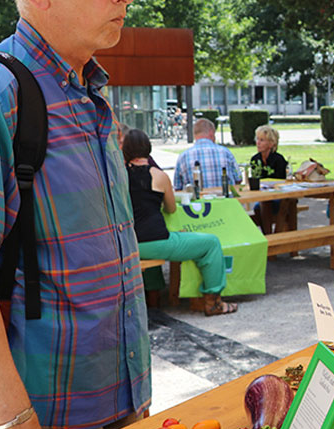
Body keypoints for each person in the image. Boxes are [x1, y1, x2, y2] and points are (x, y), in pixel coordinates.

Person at [0, 0, 150, 429]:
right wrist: (13, 424)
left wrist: (136, 397)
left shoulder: (87, 91)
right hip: (37, 418)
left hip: (117, 404)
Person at [123, 129, 238, 316]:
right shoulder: (159, 176)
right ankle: (213, 302)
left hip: (129, 242)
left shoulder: (120, 176)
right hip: (156, 241)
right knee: (211, 243)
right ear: (148, 148)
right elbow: (171, 208)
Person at [173, 118, 242, 191]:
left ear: (195, 134)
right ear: (211, 133)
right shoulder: (226, 152)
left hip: (197, 201)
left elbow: (177, 187)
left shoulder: (183, 157)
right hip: (225, 200)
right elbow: (238, 178)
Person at [249, 124, 293, 233]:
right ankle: (268, 236)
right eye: (257, 139)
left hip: (279, 197)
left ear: (271, 143)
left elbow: (283, 182)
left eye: (262, 140)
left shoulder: (279, 160)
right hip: (263, 197)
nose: (258, 143)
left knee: (267, 205)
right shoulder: (255, 159)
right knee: (259, 207)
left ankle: (272, 237)